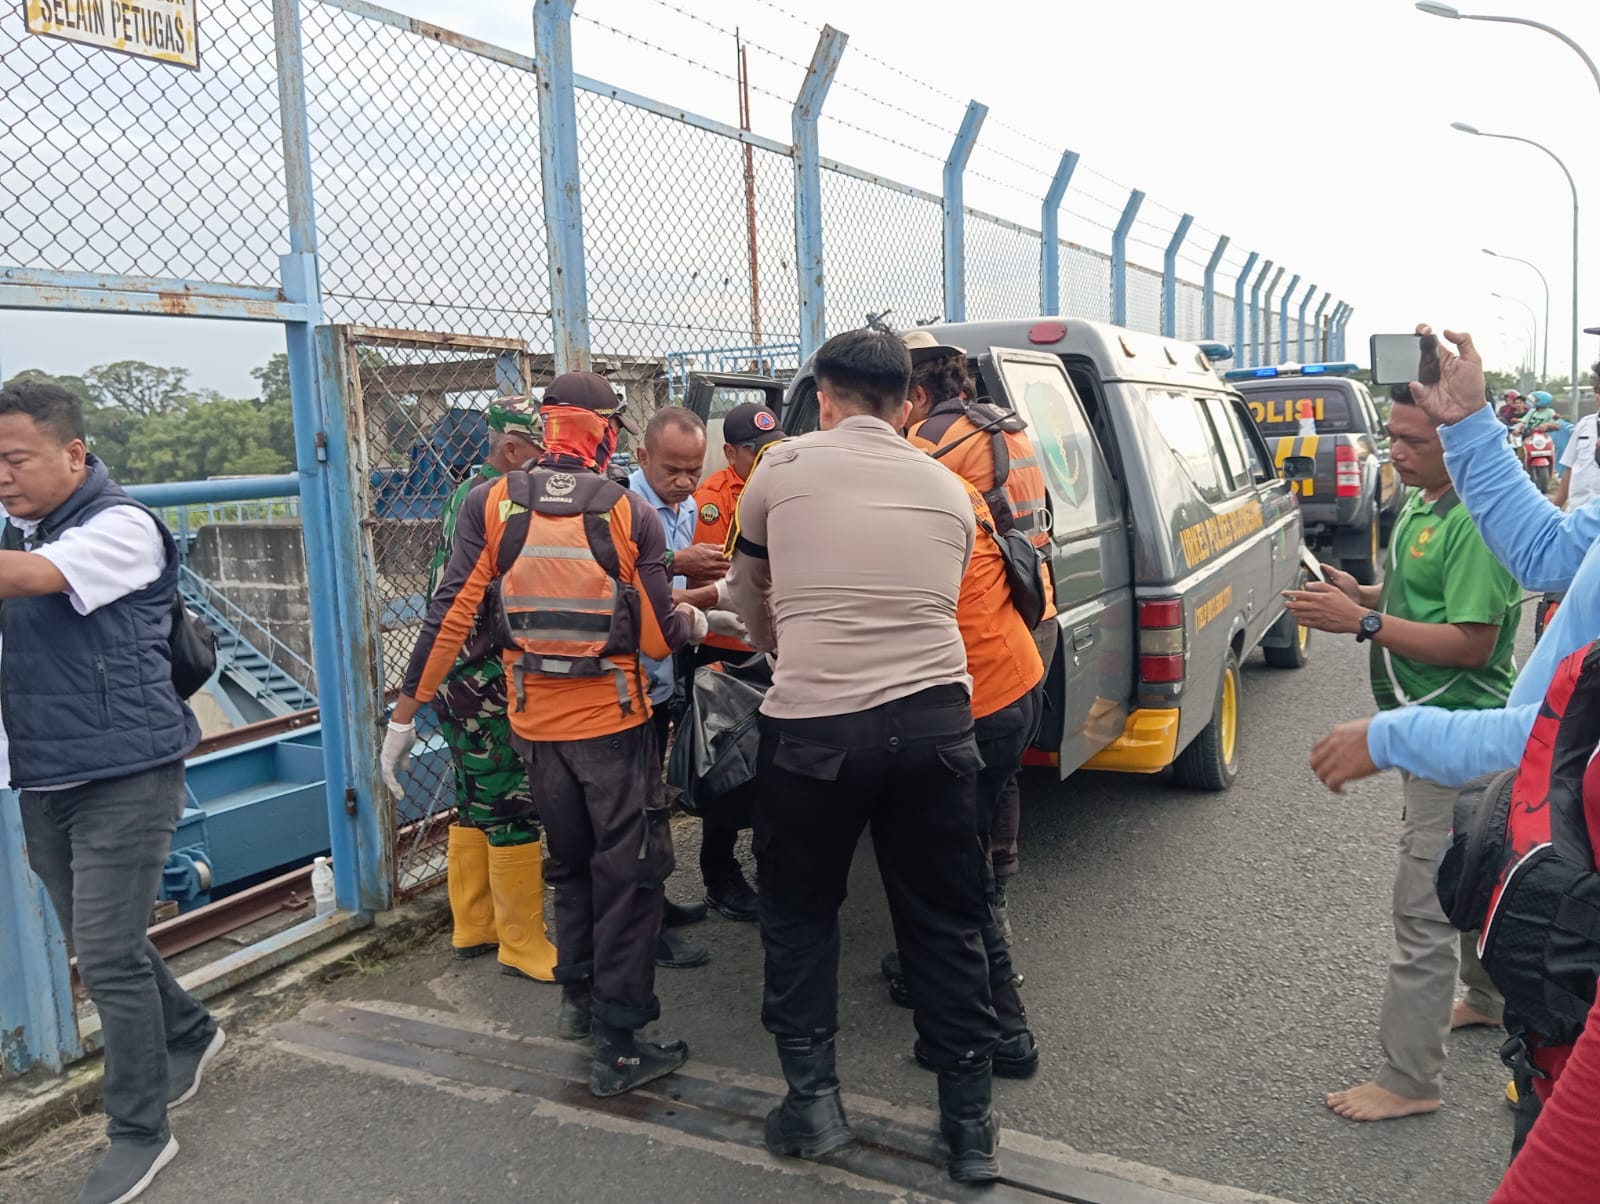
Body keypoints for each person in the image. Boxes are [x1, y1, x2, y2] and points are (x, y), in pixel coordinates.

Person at [723, 328, 1004, 1184]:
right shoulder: (951, 488)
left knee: (801, 914)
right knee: (946, 917)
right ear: (907, 402)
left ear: (827, 397)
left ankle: (813, 1106)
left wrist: (781, 646)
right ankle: (970, 1128)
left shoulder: (780, 469)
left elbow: (746, 592)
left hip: (817, 729)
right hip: (935, 729)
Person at [382, 371, 708, 1098]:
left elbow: (451, 614)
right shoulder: (629, 514)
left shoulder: (490, 503)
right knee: (625, 877)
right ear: (607, 431)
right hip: (613, 728)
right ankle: (619, 1044)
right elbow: (657, 638)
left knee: (569, 865)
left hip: (533, 725)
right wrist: (697, 619)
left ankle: (577, 1001)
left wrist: (406, 714)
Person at [0, 380, 224, 1204]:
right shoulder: (18, 526)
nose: (3, 475)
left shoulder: (121, 527)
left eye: (16, 458)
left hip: (126, 773)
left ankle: (140, 1130)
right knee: (105, 945)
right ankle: (192, 1033)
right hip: (42, 774)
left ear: (73, 453)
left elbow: (29, 581)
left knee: (102, 955)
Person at [1289, 378, 1517, 1123]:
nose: (1399, 451)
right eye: (1395, 436)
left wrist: (1362, 624)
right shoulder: (1423, 502)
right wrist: (1368, 592)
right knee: (1477, 873)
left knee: (1422, 909)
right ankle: (1486, 999)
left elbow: (1474, 645)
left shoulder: (1477, 522)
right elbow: (1418, 593)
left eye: (1416, 441)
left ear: (1459, 442)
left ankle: (1410, 1080)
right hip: (1433, 732)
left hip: (1459, 738)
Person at [903, 331, 1055, 938]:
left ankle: (970, 916)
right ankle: (998, 884)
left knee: (955, 782)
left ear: (915, 392)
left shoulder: (929, 442)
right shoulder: (1010, 426)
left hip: (971, 621)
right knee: (1001, 768)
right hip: (1030, 605)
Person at [425, 397, 556, 978]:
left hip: (454, 676)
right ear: (512, 450)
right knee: (510, 801)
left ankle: (473, 923)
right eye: (539, 456)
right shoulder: (499, 501)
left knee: (473, 797)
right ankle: (522, 942)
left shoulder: (463, 495)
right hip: (484, 677)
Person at [628, 406, 729, 967]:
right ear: (642, 458)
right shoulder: (621, 508)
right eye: (672, 470)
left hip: (664, 675)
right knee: (636, 809)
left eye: (694, 470)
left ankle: (658, 904)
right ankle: (644, 930)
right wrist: (707, 596)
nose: (686, 482)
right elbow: (637, 596)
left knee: (657, 797)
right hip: (627, 683)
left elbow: (674, 597)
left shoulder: (687, 505)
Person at [678, 401, 784, 922]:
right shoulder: (710, 500)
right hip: (723, 651)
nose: (765, 458)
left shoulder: (787, 486)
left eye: (771, 447)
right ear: (730, 453)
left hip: (777, 651)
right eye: (754, 452)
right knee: (724, 767)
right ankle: (719, 874)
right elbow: (698, 580)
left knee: (777, 771)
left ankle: (772, 869)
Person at [1552, 362, 1600, 512]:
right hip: (1577, 516)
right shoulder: (1584, 425)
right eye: (1598, 389)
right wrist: (1556, 508)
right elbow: (1570, 469)